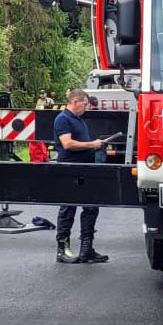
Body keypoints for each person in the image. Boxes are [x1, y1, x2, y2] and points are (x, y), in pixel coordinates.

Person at [53, 89, 112, 264]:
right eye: (84, 104)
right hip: (70, 167)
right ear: (75, 102)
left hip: (85, 167)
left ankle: (87, 249)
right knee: (68, 207)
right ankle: (62, 250)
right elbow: (67, 143)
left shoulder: (78, 120)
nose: (86, 108)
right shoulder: (63, 119)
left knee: (91, 207)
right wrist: (92, 144)